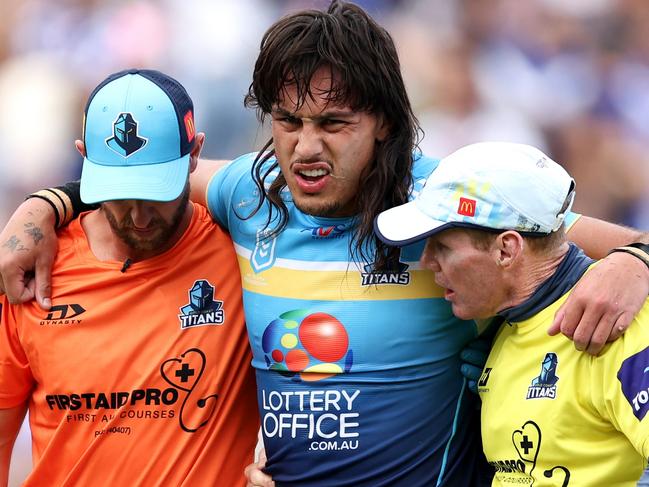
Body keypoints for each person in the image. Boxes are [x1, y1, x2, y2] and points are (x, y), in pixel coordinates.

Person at [1, 2, 649, 486]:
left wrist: (633, 259)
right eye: (288, 121)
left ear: (385, 124)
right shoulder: (249, 190)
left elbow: (577, 244)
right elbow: (140, 178)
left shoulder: (445, 202)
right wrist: (43, 205)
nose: (305, 146)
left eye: (334, 123)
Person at [0, 69, 259, 486]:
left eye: (156, 191)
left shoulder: (241, 249)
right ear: (83, 158)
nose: (138, 217)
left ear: (195, 154)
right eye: (119, 194)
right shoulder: (33, 267)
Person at [375, 141, 649, 486]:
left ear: (507, 249)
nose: (427, 262)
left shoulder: (614, 318)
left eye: (442, 247)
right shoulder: (509, 321)